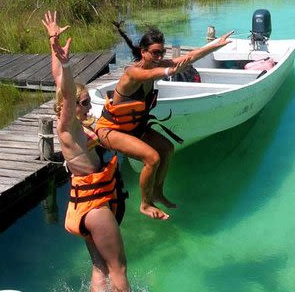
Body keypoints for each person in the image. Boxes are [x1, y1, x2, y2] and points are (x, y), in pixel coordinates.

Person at [42, 10, 156, 292]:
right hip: (95, 205)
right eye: (84, 103)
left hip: (84, 203)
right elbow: (65, 92)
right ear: (68, 107)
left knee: (99, 265)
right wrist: (65, 64)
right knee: (118, 265)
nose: (88, 106)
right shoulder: (68, 127)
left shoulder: (74, 125)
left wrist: (54, 44)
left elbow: (59, 84)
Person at [94, 23, 233, 221]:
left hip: (134, 128)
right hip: (111, 130)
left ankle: (158, 192)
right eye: (156, 53)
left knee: (167, 148)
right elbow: (151, 75)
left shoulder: (156, 64)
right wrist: (170, 70)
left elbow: (188, 57)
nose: (159, 57)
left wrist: (216, 45)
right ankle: (145, 204)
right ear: (143, 52)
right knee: (152, 158)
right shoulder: (132, 73)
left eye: (162, 52)